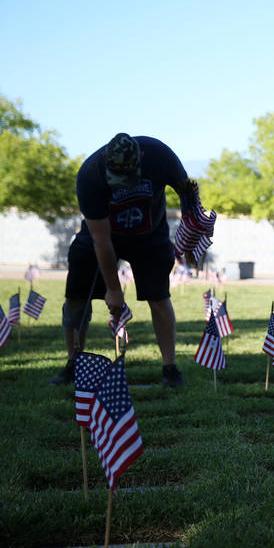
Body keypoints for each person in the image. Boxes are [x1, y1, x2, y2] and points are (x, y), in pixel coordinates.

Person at [50, 133, 200, 388]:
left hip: (150, 234)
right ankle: (74, 363)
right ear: (106, 161)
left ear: (140, 158)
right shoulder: (89, 175)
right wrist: (113, 289)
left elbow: (187, 193)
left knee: (159, 298)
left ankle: (170, 368)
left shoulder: (160, 155)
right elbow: (101, 240)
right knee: (76, 296)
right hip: (103, 235)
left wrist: (192, 237)